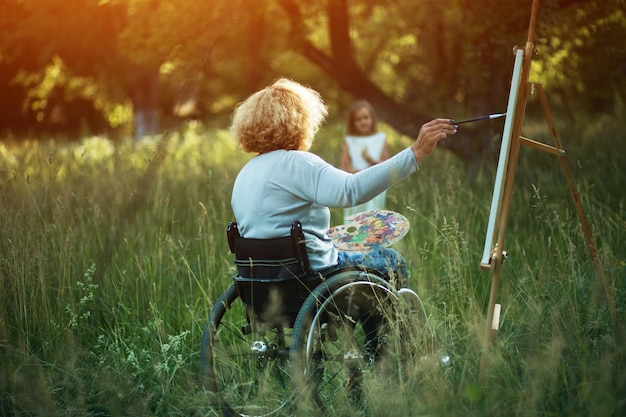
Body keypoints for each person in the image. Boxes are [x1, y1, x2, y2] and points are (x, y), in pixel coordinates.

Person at [230, 78, 457, 284]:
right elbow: (351, 190)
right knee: (390, 260)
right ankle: (385, 331)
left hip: (259, 281)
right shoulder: (297, 163)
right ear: (300, 122)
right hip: (312, 276)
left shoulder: (245, 174)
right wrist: (415, 153)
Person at [340, 100, 389, 220]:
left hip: (376, 185)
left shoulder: (380, 138)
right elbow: (343, 167)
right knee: (356, 219)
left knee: (373, 220)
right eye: (358, 119)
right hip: (357, 185)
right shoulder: (350, 140)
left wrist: (369, 159)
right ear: (353, 122)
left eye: (366, 118)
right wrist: (355, 172)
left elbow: (386, 166)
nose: (363, 122)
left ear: (372, 119)